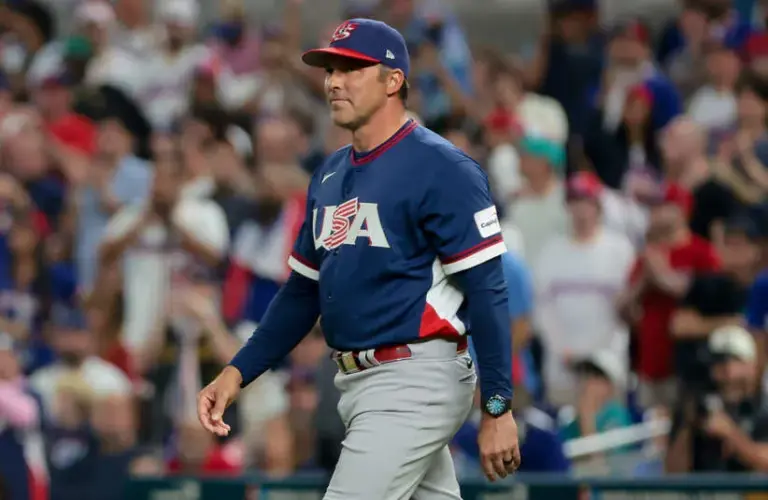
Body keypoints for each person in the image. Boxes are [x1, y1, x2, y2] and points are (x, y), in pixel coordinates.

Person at [197, 18, 520, 500]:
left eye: (352, 69)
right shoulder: (329, 175)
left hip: (414, 378)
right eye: (330, 69)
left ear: (394, 81)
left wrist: (497, 405)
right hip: (360, 385)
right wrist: (237, 371)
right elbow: (302, 292)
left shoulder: (442, 167)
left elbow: (489, 292)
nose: (334, 81)